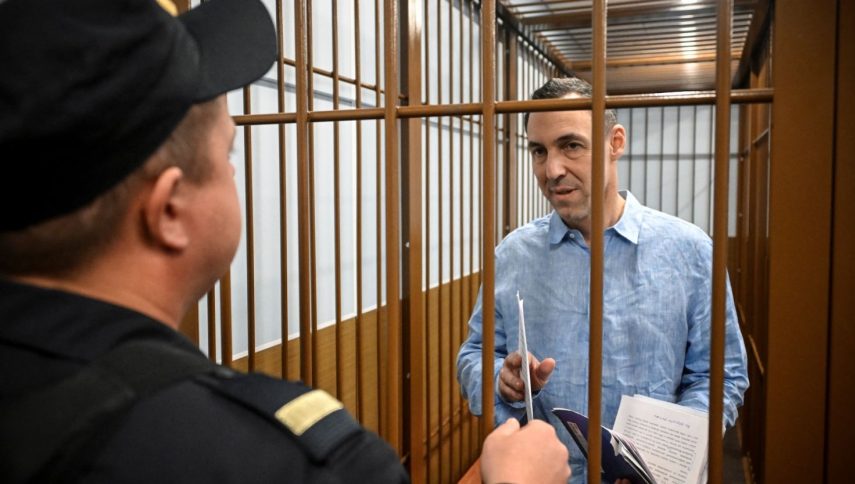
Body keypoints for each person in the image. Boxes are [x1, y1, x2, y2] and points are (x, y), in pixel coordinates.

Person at [0, 0, 570, 482]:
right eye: (227, 155)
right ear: (168, 210)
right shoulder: (289, 462)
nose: (552, 169)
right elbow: (474, 355)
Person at [456, 77, 750, 482]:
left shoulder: (690, 251)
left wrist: (672, 453)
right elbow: (473, 354)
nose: (552, 170)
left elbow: (721, 375)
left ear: (616, 142)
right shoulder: (513, 255)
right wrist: (499, 381)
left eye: (571, 146)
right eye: (539, 151)